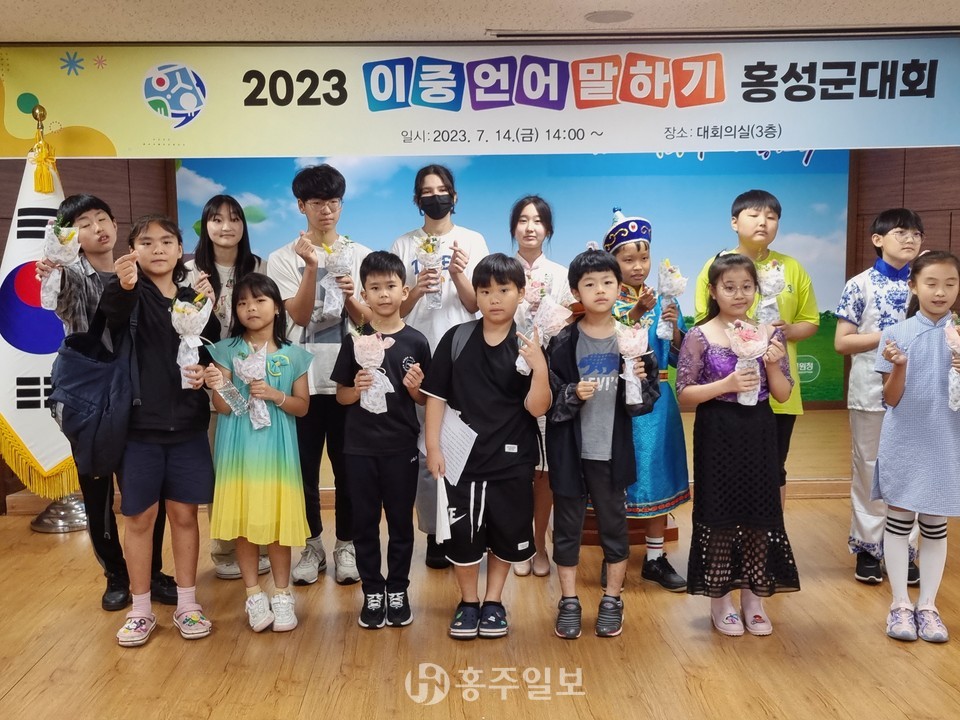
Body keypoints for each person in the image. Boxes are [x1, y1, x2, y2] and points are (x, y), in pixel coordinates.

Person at [36, 195, 177, 612]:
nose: (97, 228)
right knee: (97, 490)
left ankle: (151, 572)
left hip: (139, 395)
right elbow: (56, 296)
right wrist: (52, 270)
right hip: (92, 398)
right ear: (70, 236)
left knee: (146, 491)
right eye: (84, 223)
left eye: (103, 218)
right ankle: (116, 574)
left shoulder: (141, 270)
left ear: (116, 224)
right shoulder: (71, 274)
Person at [100, 214, 220, 647]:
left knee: (185, 516)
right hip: (138, 428)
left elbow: (209, 352)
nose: (157, 249)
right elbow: (109, 320)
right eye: (147, 242)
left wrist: (211, 310)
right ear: (133, 250)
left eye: (167, 241)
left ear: (180, 249)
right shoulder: (126, 292)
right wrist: (123, 285)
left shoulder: (193, 297)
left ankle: (188, 604)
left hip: (188, 425)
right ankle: (141, 609)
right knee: (139, 518)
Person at [422, 253, 550, 640]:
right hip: (461, 461)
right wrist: (433, 447)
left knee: (506, 533)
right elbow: (436, 398)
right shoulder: (457, 338)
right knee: (463, 537)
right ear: (475, 295)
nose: (494, 298)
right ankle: (468, 602)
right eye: (485, 291)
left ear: (521, 293)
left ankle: (493, 601)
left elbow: (537, 407)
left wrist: (540, 368)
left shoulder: (528, 343)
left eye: (504, 290)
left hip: (513, 460)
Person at [677, 253, 800, 637]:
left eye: (747, 286)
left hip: (759, 430)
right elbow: (684, 394)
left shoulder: (769, 334)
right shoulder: (700, 335)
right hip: (717, 430)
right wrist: (726, 385)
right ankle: (720, 599)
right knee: (720, 514)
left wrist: (772, 365)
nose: (739, 294)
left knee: (759, 514)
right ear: (713, 291)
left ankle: (753, 597)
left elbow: (782, 394)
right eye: (729, 287)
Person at [545, 248, 659, 639]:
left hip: (612, 453)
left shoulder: (632, 338)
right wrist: (571, 393)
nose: (599, 290)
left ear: (618, 287)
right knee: (567, 528)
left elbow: (647, 399)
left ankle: (612, 599)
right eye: (589, 284)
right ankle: (569, 601)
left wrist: (638, 381)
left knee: (614, 526)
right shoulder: (562, 341)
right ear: (576, 291)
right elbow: (548, 397)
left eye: (607, 282)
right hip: (570, 452)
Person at [267, 164, 371, 587]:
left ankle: (346, 545)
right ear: (301, 206)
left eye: (333, 202)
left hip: (347, 381)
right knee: (304, 471)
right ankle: (311, 546)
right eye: (316, 202)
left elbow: (368, 320)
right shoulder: (282, 258)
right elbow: (296, 314)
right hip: (302, 381)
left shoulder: (361, 255)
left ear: (341, 205)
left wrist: (349, 294)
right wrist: (312, 268)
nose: (325, 210)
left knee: (349, 471)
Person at [390, 164, 489, 569]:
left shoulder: (472, 240)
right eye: (427, 192)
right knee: (425, 448)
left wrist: (458, 274)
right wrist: (416, 290)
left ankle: (469, 526)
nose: (436, 197)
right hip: (417, 353)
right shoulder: (403, 244)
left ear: (455, 196)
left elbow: (477, 304)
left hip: (463, 353)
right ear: (417, 200)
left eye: (442, 190)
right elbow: (394, 308)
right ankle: (434, 533)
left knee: (465, 444)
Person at [693, 190, 819, 507]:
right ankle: (730, 529)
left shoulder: (792, 267)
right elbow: (702, 323)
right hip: (727, 389)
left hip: (777, 387)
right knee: (728, 470)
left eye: (771, 217)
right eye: (754, 215)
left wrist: (782, 332)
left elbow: (810, 321)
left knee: (773, 468)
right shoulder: (716, 265)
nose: (763, 222)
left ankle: (770, 530)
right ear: (734, 222)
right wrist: (743, 338)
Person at [203, 273, 311, 633]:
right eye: (243, 302)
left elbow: (302, 407)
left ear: (277, 307)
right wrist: (222, 384)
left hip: (278, 450)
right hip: (238, 449)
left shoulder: (293, 355)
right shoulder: (226, 350)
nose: (251, 308)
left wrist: (276, 395)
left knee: (278, 525)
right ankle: (252, 594)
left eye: (260, 300)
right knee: (244, 523)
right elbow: (222, 407)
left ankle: (282, 594)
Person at [331, 251, 432, 629]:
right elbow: (341, 397)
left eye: (391, 286)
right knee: (365, 523)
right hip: (359, 449)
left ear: (404, 291)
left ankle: (398, 590)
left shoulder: (416, 341)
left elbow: (425, 401)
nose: (384, 294)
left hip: (401, 448)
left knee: (401, 524)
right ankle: (373, 590)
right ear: (364, 294)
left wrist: (417, 389)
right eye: (375, 288)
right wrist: (355, 389)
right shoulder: (354, 341)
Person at [873, 250, 960, 643]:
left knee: (936, 524)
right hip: (905, 439)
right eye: (931, 283)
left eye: (950, 284)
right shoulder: (897, 334)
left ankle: (928, 606)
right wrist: (900, 366)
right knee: (899, 519)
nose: (940, 292)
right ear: (913, 286)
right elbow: (890, 399)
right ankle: (899, 605)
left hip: (947, 439)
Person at [835, 209, 924, 585]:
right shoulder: (859, 285)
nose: (910, 239)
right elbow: (842, 342)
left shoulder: (925, 283)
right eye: (901, 232)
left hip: (919, 392)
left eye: (916, 233)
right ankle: (869, 549)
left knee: (913, 471)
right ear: (877, 239)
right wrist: (894, 334)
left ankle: (905, 549)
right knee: (869, 469)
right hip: (870, 392)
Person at [185, 194, 270, 582]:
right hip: (210, 383)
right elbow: (182, 328)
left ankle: (263, 544)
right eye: (217, 219)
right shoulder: (189, 271)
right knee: (222, 469)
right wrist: (200, 301)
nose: (226, 226)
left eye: (235, 219)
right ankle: (224, 549)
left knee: (258, 467)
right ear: (206, 225)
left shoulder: (257, 266)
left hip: (255, 382)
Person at [606, 209, 690, 593]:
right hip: (620, 402)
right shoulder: (607, 299)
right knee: (618, 479)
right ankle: (615, 557)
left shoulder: (664, 300)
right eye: (628, 259)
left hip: (658, 402)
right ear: (614, 262)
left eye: (644, 258)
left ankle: (655, 557)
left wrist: (675, 330)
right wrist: (635, 313)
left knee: (658, 475)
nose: (638, 266)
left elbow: (680, 358)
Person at [508, 195, 574, 579]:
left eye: (537, 220)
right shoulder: (502, 270)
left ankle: (539, 544)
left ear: (548, 229)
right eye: (523, 220)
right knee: (517, 466)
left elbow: (570, 325)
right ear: (513, 227)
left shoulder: (561, 275)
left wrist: (547, 318)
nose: (530, 227)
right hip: (507, 378)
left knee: (544, 467)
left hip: (547, 376)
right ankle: (518, 541)